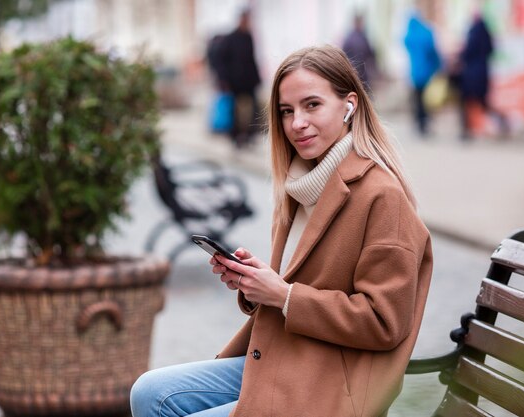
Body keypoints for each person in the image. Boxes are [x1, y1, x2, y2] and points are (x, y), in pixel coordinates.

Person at [130, 45, 433, 417]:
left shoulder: (382, 196)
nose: (296, 124)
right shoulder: (297, 187)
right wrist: (256, 284)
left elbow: (385, 322)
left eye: (312, 105)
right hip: (286, 355)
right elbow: (293, 288)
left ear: (349, 105)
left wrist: (285, 295)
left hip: (333, 379)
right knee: (148, 393)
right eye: (286, 111)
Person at [212, 9, 261, 148]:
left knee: (254, 109)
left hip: (249, 81)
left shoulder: (249, 37)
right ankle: (235, 136)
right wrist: (223, 80)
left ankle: (250, 135)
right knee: (234, 110)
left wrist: (257, 78)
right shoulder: (230, 38)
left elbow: (252, 60)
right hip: (234, 82)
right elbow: (219, 60)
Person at [454, 12, 507, 139]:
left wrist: (459, 57)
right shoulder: (486, 34)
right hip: (482, 73)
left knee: (465, 102)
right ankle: (502, 122)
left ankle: (466, 131)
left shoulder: (473, 33)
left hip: (471, 75)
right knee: (483, 103)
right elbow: (491, 51)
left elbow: (467, 52)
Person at [404, 11, 442, 136]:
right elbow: (433, 52)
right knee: (425, 99)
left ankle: (420, 122)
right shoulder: (426, 33)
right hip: (426, 72)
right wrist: (437, 65)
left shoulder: (410, 35)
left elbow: (404, 42)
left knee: (418, 99)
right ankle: (424, 122)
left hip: (415, 73)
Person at [342, 14, 377, 93]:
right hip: (359, 74)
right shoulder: (361, 38)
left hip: (356, 74)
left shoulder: (351, 38)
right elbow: (372, 55)